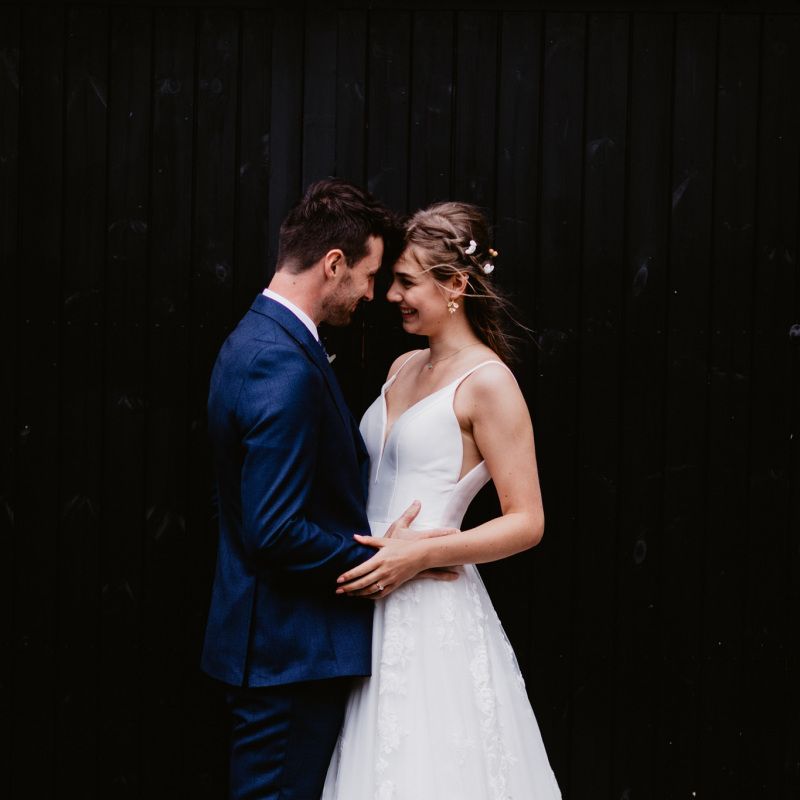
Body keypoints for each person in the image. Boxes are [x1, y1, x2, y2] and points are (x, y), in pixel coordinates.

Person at [201, 179, 456, 800]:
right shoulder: (282, 362)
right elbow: (275, 530)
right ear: (333, 264)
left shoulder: (253, 338)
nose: (371, 294)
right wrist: (388, 560)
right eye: (367, 276)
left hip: (271, 645)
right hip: (288, 653)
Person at [322, 202, 562, 798]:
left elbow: (527, 520)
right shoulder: (404, 365)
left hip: (429, 607)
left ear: (454, 285)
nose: (391, 296)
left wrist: (424, 554)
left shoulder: (488, 383)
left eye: (407, 282)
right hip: (361, 598)